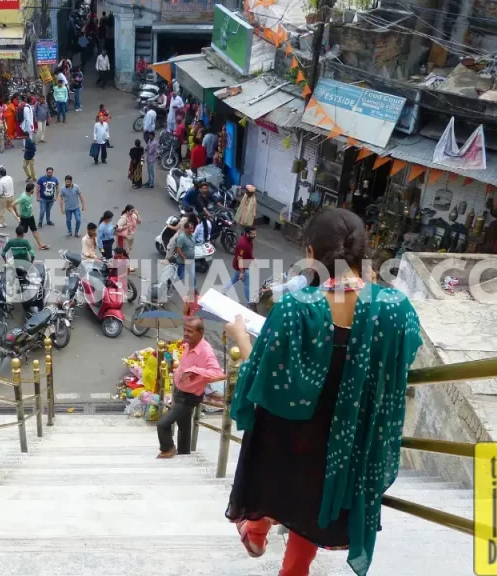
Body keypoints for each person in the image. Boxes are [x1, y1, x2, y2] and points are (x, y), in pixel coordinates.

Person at [225, 208, 422, 576]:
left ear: (311, 255)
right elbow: (403, 355)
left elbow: (260, 378)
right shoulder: (397, 310)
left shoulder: (295, 310)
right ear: (365, 252)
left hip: (294, 439)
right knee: (320, 498)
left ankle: (255, 530)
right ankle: (293, 569)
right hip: (349, 440)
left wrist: (239, 337)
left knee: (270, 447)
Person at [157, 316, 224, 458]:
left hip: (189, 397)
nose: (186, 334)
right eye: (185, 330)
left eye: (190, 331)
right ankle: (184, 455)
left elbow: (218, 373)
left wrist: (195, 370)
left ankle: (168, 449)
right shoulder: (189, 344)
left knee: (163, 424)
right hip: (179, 391)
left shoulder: (205, 351)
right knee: (184, 428)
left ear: (200, 333)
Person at [223, 226, 256, 302]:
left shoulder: (248, 240)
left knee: (234, 278)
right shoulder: (243, 244)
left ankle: (223, 290)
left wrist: (252, 259)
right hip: (242, 267)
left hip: (242, 265)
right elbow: (240, 258)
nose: (254, 236)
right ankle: (250, 302)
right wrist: (242, 272)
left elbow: (247, 253)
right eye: (253, 234)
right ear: (247, 234)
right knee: (247, 284)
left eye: (255, 234)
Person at [15, 182, 50, 250]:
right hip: (24, 218)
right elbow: (13, 204)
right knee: (21, 232)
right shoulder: (23, 197)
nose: (34, 190)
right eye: (33, 189)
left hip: (30, 216)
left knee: (34, 230)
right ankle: (18, 245)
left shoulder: (29, 195)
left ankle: (40, 244)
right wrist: (17, 213)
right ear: (31, 190)